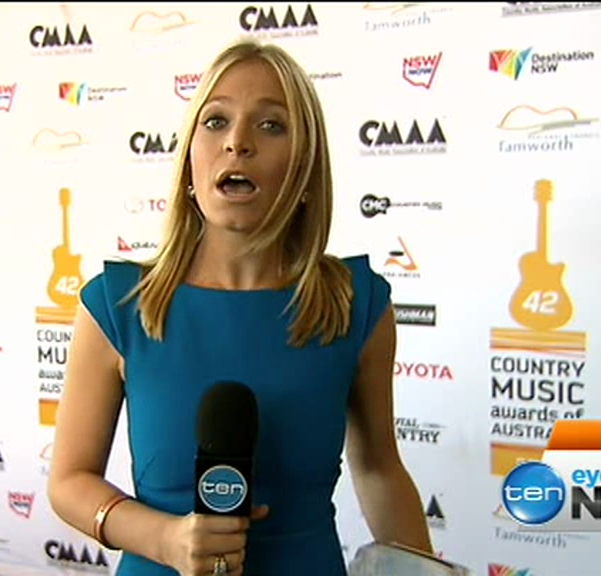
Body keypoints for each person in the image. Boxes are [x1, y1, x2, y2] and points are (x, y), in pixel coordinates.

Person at [47, 37, 433, 576]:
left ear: (304, 167)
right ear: (189, 159)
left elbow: (379, 469)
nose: (237, 143)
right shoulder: (117, 306)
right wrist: (165, 539)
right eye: (215, 122)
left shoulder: (355, 303)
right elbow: (69, 481)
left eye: (271, 125)